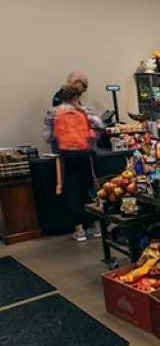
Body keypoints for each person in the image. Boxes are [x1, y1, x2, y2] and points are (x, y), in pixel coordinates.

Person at [44, 83, 104, 242]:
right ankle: (96, 225)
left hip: (65, 159)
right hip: (86, 156)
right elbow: (100, 127)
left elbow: (48, 136)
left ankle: (79, 230)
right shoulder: (86, 111)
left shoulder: (53, 112)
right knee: (90, 188)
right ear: (78, 96)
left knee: (72, 191)